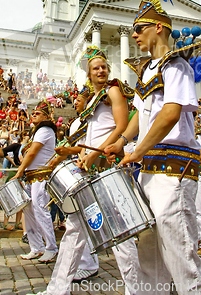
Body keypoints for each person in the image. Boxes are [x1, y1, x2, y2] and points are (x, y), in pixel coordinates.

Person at [105, 0, 201, 294]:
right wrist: (122, 141)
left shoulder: (175, 64)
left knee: (180, 254)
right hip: (149, 168)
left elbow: (170, 113)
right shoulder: (148, 71)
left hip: (173, 168)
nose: (134, 34)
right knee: (148, 253)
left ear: (160, 29)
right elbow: (140, 114)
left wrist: (138, 150)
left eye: (140, 28)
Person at [36, 47, 147, 295]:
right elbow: (92, 135)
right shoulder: (92, 101)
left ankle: (136, 290)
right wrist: (80, 152)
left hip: (106, 167)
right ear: (88, 72)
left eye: (104, 67)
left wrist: (96, 153)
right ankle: (57, 289)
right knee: (74, 231)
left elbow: (121, 126)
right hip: (91, 167)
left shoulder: (113, 91)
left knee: (120, 232)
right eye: (96, 67)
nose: (101, 70)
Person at [49, 86, 99, 283]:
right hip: (79, 169)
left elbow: (81, 145)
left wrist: (66, 153)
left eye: (79, 100)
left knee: (82, 222)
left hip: (88, 169)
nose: (75, 102)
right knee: (78, 222)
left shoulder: (88, 120)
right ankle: (84, 264)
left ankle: (88, 264)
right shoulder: (78, 121)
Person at [13, 100, 58, 263]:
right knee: (29, 210)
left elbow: (32, 153)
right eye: (33, 113)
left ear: (46, 116)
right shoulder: (36, 131)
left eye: (37, 113)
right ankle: (37, 247)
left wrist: (19, 170)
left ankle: (51, 247)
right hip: (32, 177)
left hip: (41, 176)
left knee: (40, 210)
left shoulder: (45, 129)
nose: (33, 115)